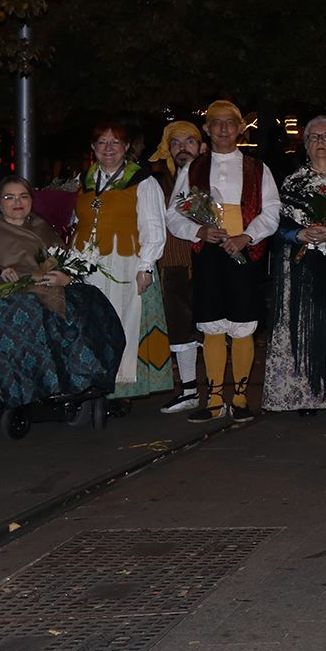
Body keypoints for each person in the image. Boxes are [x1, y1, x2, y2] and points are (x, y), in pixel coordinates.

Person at [0, 177, 125, 410]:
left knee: (90, 300)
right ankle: (36, 384)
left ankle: (86, 376)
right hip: (4, 290)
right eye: (9, 197)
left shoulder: (41, 226)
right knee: (29, 308)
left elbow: (63, 258)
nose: (17, 202)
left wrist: (65, 276)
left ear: (31, 200)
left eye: (23, 196)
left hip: (47, 285)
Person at [166, 100, 282, 422]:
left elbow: (271, 211)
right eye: (216, 123)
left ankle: (241, 398)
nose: (223, 128)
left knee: (243, 326)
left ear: (239, 128)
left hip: (245, 251)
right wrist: (200, 230)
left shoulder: (258, 168)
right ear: (207, 128)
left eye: (229, 122)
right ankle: (214, 398)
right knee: (212, 325)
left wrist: (247, 236)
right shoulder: (193, 169)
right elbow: (173, 215)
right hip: (209, 255)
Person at [262, 116, 326, 414]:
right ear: (305, 145)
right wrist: (298, 233)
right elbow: (276, 226)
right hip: (301, 266)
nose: (320, 142)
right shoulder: (293, 181)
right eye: (314, 137)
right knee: (302, 326)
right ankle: (306, 396)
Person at [70, 120, 174, 403]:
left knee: (120, 320)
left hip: (124, 263)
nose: (108, 148)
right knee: (89, 323)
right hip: (86, 265)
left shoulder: (141, 181)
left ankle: (120, 384)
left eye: (115, 142)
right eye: (102, 142)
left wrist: (146, 266)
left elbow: (153, 225)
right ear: (93, 147)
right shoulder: (84, 180)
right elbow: (77, 222)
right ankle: (92, 377)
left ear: (126, 147)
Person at [147, 120, 206, 413]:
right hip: (174, 261)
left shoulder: (212, 175)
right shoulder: (157, 182)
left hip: (211, 259)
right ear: (167, 149)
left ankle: (221, 390)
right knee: (181, 327)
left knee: (215, 325)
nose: (183, 148)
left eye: (189, 141)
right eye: (176, 143)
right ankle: (189, 390)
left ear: (201, 145)